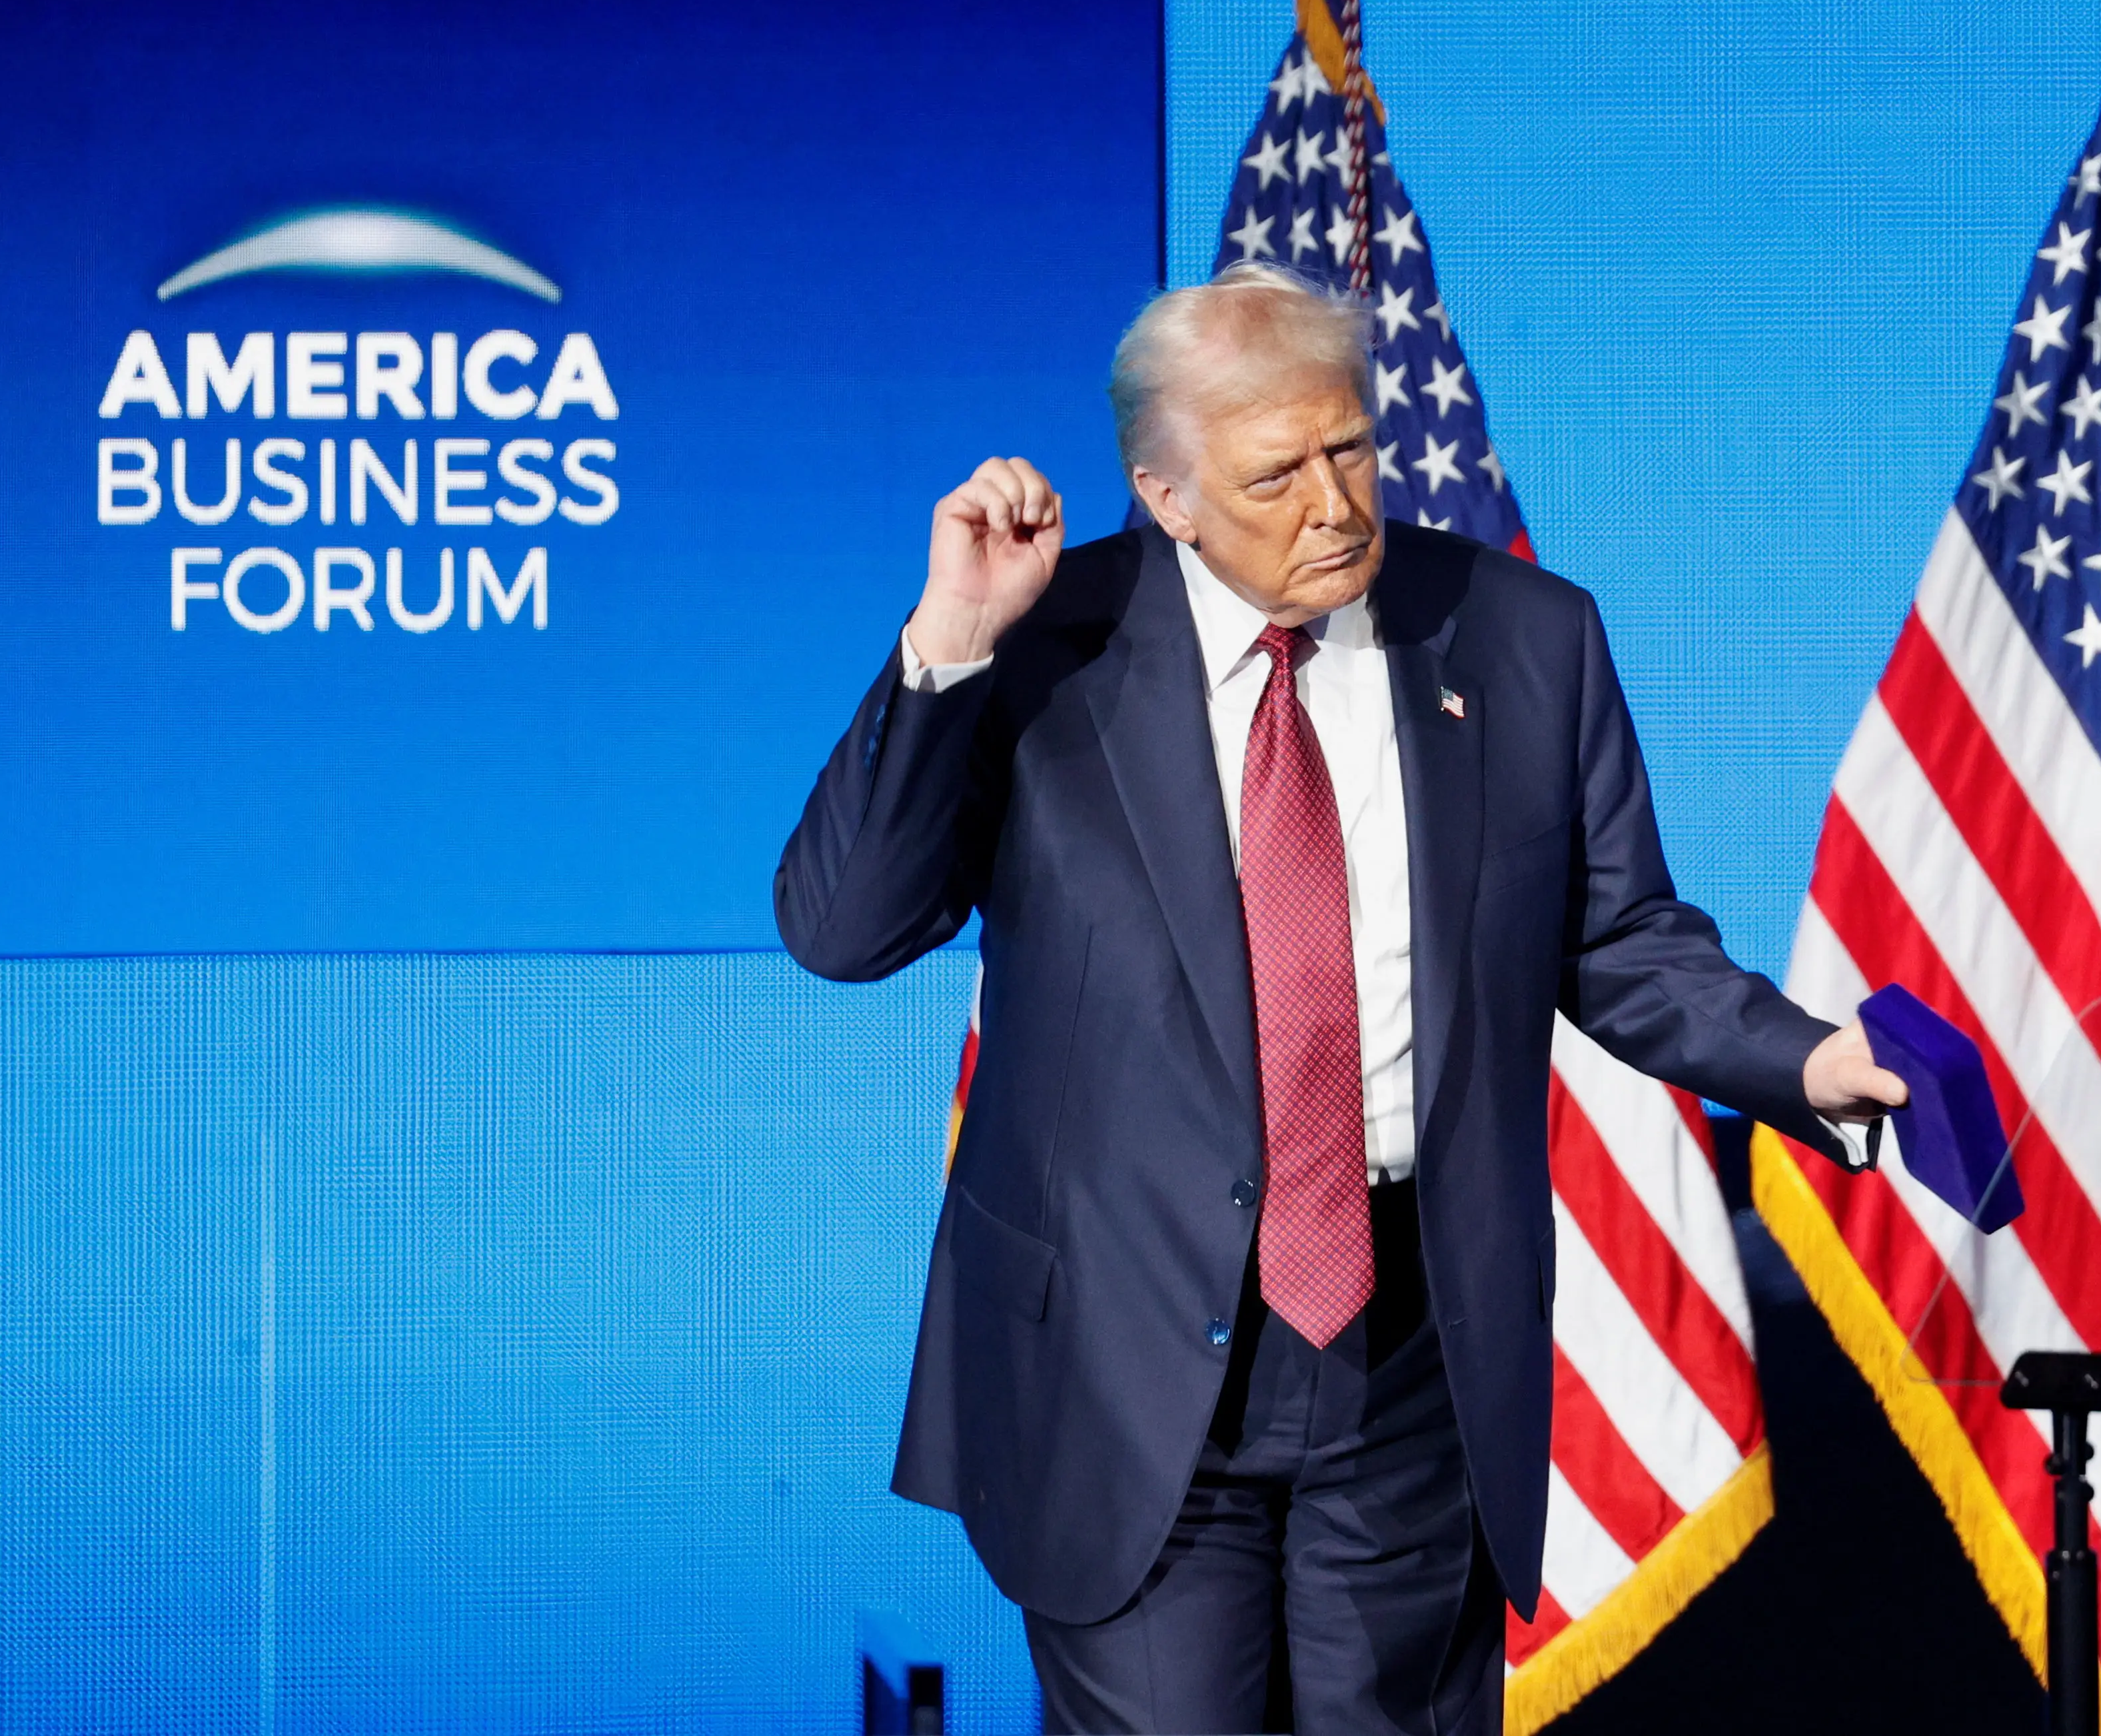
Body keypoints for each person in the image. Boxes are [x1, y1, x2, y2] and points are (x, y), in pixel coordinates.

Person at [775, 262, 1903, 1734]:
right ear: (1165, 496)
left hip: (1408, 1346)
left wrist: (1805, 1059)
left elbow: (1613, 934)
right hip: (1119, 1353)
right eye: (1273, 475)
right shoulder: (1048, 647)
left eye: (1349, 448)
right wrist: (946, 644)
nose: (1334, 503)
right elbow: (843, 928)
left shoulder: (1520, 637)